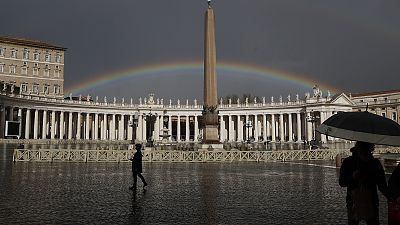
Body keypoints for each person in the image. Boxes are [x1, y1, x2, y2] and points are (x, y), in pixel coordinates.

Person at [339, 141, 390, 225]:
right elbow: (342, 182)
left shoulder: (374, 163)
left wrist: (390, 197)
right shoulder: (349, 162)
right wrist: (353, 177)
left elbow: (382, 185)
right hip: (355, 202)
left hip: (369, 202)